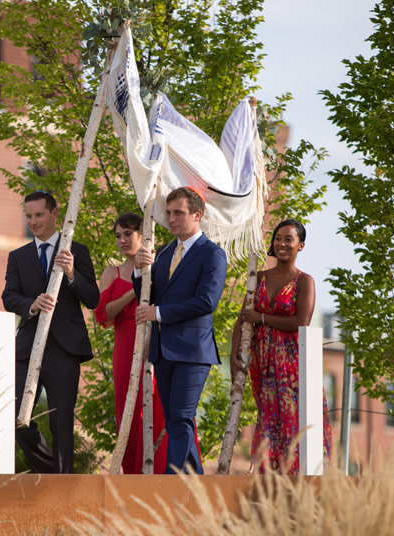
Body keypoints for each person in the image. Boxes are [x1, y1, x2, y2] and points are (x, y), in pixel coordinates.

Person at [1, 191, 100, 474]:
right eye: (28, 216)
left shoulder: (76, 252)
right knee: (15, 415)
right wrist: (31, 304)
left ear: (55, 213)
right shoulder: (17, 256)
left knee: (61, 422)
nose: (33, 221)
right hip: (28, 346)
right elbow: (9, 297)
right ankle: (50, 471)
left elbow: (93, 299)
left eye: (39, 215)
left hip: (64, 348)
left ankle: (63, 484)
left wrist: (71, 274)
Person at [133, 187, 227, 474]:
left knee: (182, 416)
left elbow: (206, 301)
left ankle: (170, 482)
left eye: (179, 213)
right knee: (174, 417)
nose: (171, 219)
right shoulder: (162, 252)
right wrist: (138, 271)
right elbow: (148, 297)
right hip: (163, 350)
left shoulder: (213, 254)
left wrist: (159, 314)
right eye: (169, 212)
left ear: (197, 215)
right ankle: (196, 482)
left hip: (193, 350)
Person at [230, 218, 332, 474]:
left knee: (292, 423)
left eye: (289, 239)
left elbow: (302, 322)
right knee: (267, 422)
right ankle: (268, 480)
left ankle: (294, 481)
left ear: (301, 245)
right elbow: (242, 320)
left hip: (292, 365)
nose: (282, 243)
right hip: (263, 364)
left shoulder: (304, 281)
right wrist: (234, 357)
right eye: (277, 238)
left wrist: (262, 319)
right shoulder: (258, 277)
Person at [94, 212, 169, 474]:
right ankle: (132, 476)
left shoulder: (160, 268)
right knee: (127, 412)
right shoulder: (111, 273)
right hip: (125, 350)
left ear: (143, 236)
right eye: (118, 235)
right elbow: (104, 314)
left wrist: (145, 275)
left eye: (128, 234)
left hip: (157, 346)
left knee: (159, 412)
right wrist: (134, 289)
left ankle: (161, 476)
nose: (122, 240)